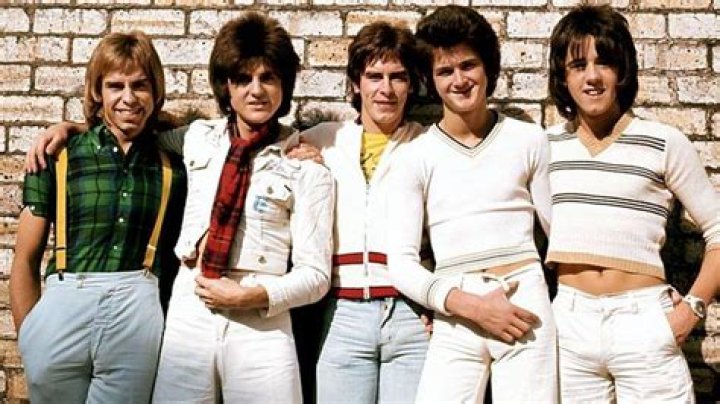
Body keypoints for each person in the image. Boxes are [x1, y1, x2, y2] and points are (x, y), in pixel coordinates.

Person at [148, 13, 334, 403]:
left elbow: (316, 275)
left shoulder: (306, 166)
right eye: (243, 79)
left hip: (262, 318)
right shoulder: (198, 138)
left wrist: (250, 296)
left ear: (284, 85)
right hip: (191, 305)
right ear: (226, 87)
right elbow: (136, 134)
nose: (256, 90)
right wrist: (70, 129)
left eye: (268, 78)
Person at [545, 5, 720, 403]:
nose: (592, 77)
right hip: (570, 327)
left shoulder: (664, 142)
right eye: (578, 65)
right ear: (563, 76)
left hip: (644, 323)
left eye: (604, 62)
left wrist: (691, 309)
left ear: (622, 70)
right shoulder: (545, 147)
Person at [387, 6, 557, 403]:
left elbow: (560, 238)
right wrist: (468, 306)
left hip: (524, 304)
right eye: (445, 71)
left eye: (468, 65)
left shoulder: (529, 139)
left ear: (488, 68)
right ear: (431, 80)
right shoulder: (415, 157)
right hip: (455, 309)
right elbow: (401, 264)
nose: (460, 80)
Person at [9, 31, 186, 403]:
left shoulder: (173, 166)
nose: (128, 98)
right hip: (62, 306)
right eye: (115, 86)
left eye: (140, 85)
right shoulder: (58, 155)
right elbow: (24, 258)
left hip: (137, 314)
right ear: (97, 92)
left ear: (155, 91)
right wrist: (30, 337)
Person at [300, 21, 431, 403]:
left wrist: (438, 299)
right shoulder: (325, 138)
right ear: (356, 83)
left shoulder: (429, 143)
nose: (385, 89)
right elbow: (265, 154)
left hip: (411, 315)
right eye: (374, 76)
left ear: (412, 84)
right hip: (343, 313)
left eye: (398, 77)